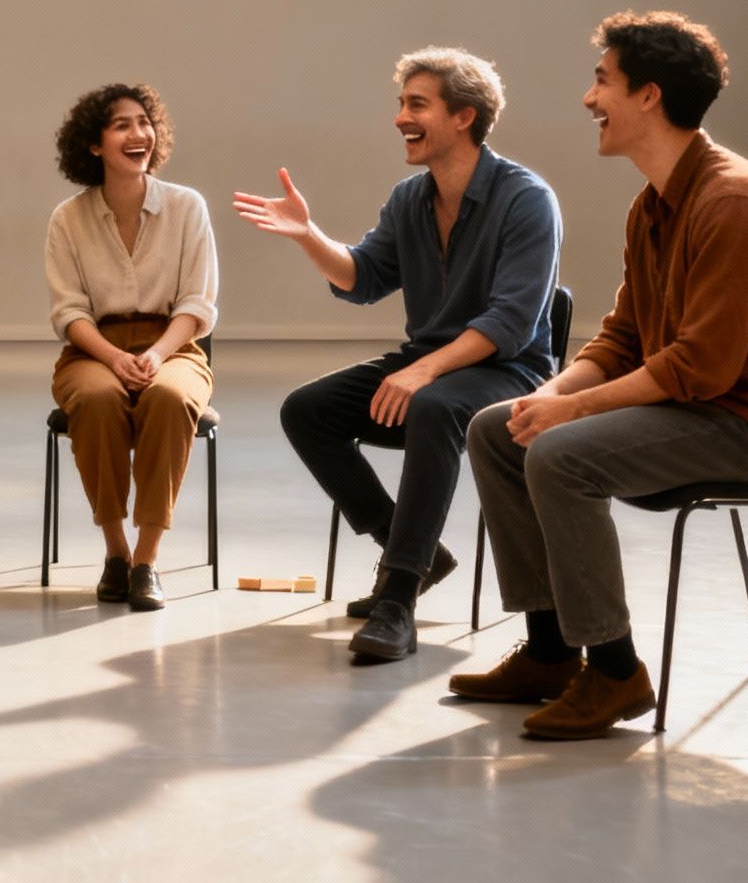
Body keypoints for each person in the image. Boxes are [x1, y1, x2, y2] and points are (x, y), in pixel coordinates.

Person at [452, 11, 748, 740]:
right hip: (698, 408)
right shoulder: (652, 205)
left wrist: (573, 415)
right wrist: (554, 392)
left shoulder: (734, 201)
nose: (589, 100)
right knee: (499, 429)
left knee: (561, 455)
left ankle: (618, 671)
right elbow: (625, 335)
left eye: (602, 81)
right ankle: (552, 649)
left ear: (648, 96)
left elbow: (702, 366)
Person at [233, 48, 559, 662]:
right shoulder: (411, 197)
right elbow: (363, 277)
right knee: (307, 410)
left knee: (434, 407)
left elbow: (511, 322)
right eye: (401, 104)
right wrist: (309, 236)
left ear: (464, 116)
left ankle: (397, 599)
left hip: (509, 371)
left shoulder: (526, 199)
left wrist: (425, 369)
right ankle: (415, 552)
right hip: (431, 363)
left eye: (416, 105)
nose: (399, 117)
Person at [45, 83, 219, 611]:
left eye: (145, 122)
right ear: (94, 145)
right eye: (122, 124)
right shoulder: (68, 218)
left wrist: (158, 355)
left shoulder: (187, 207)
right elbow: (69, 312)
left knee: (169, 398)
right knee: (97, 401)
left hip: (175, 344)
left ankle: (146, 560)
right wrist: (114, 357)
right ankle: (115, 552)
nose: (138, 133)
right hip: (94, 350)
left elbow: (197, 303)